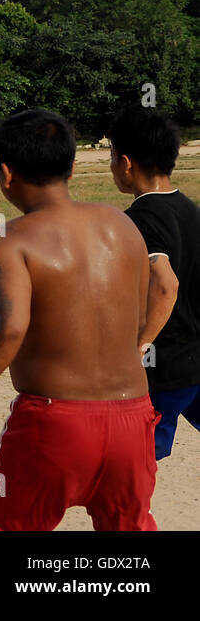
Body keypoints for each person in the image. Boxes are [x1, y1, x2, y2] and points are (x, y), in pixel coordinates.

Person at [0, 109, 158, 531]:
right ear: (72, 166)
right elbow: (144, 304)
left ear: (5, 173)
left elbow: (9, 327)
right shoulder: (123, 224)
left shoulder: (7, 240)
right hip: (133, 416)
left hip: (54, 423)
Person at [109, 104, 200, 460]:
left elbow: (165, 285)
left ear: (127, 163)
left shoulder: (141, 218)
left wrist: (141, 343)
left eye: (113, 156)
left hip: (167, 368)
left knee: (139, 453)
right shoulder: (191, 209)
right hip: (196, 358)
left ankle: (133, 516)